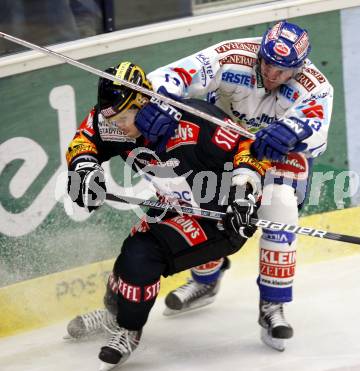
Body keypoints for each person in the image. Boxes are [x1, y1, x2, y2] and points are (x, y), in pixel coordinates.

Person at [139, 20, 334, 350]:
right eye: (269, 63)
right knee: (200, 208)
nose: (273, 74)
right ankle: (205, 280)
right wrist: (161, 102)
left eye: (284, 70)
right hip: (223, 146)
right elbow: (168, 76)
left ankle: (273, 305)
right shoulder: (231, 55)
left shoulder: (316, 86)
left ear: (299, 68)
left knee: (281, 205)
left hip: (274, 154)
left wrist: (293, 132)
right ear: (260, 53)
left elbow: (317, 134)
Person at [65, 61, 272, 370]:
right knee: (126, 265)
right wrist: (83, 169)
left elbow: (249, 148)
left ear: (144, 105)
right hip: (174, 205)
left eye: (123, 118)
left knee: (140, 256)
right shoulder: (117, 122)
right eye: (113, 119)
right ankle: (114, 314)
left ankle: (128, 329)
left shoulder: (193, 120)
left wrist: (242, 197)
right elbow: (87, 138)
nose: (118, 126)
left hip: (221, 217)